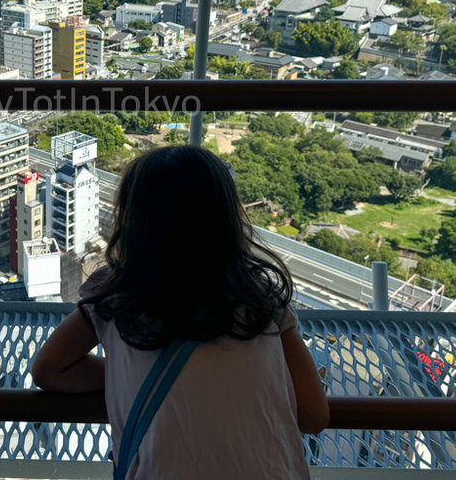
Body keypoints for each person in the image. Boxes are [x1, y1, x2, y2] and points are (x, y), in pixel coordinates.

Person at [31, 146, 328, 479]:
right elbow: (314, 415)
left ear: (134, 219)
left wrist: (124, 377)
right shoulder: (260, 297)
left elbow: (49, 369)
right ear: (226, 217)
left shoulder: (116, 293)